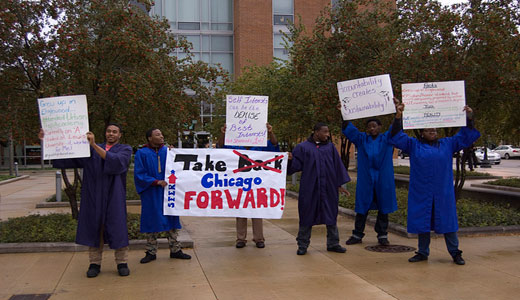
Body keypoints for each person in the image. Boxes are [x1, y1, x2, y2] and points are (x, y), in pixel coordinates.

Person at [390, 101, 480, 265]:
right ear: (422, 133)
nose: (433, 132)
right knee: (422, 222)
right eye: (429, 130)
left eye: (434, 130)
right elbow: (395, 136)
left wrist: (468, 117)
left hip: (442, 191)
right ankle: (423, 252)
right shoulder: (413, 145)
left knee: (447, 221)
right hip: (421, 190)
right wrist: (398, 116)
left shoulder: (447, 144)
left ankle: (455, 253)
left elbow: (465, 136)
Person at [41, 124, 132, 277]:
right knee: (94, 226)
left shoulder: (125, 149)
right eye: (108, 131)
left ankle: (122, 262)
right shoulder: (89, 149)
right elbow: (67, 158)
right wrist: (47, 142)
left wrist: (94, 145)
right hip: (93, 194)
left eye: (114, 132)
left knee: (118, 227)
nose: (111, 134)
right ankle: (94, 263)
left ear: (120, 135)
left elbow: (117, 163)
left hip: (114, 195)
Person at [341, 100, 399, 246]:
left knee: (383, 208)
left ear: (380, 127)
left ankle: (382, 235)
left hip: (383, 179)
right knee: (362, 208)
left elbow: (396, 128)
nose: (372, 128)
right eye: (369, 127)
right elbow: (349, 128)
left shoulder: (387, 139)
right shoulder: (361, 139)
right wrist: (343, 111)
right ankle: (357, 234)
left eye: (374, 126)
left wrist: (398, 113)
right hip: (366, 179)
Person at [288, 122, 350, 255]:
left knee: (331, 215)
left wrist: (339, 185)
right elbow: (295, 166)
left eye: (328, 132)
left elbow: (337, 166)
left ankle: (333, 243)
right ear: (316, 132)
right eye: (325, 132)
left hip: (328, 188)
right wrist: (289, 160)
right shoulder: (303, 147)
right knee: (306, 215)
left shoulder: (330, 148)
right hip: (310, 188)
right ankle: (303, 245)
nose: (327, 135)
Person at [217, 123, 280, 249]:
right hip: (239, 183)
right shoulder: (234, 145)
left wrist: (270, 132)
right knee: (241, 210)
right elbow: (221, 147)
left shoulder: (262, 145)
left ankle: (259, 238)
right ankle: (241, 239)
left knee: (257, 211)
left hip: (257, 184)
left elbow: (274, 147)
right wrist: (223, 133)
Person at [134, 128, 192, 264]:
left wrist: (175, 154)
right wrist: (155, 182)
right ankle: (151, 251)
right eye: (157, 134)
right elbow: (139, 174)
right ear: (149, 138)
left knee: (171, 217)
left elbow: (179, 168)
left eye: (161, 133)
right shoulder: (142, 153)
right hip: (151, 192)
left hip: (168, 191)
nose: (161, 136)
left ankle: (175, 249)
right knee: (151, 219)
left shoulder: (168, 152)